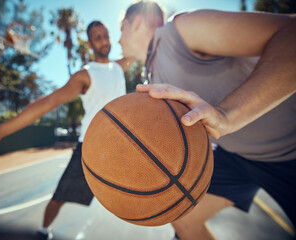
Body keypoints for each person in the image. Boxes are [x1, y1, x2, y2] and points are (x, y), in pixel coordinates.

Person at [118, 1, 296, 240]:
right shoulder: (153, 75)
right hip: (237, 156)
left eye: (121, 28)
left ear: (137, 23)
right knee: (182, 219)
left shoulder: (180, 30)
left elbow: (291, 34)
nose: (118, 39)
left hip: (289, 148)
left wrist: (226, 114)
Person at [0, 20, 135, 240]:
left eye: (106, 35)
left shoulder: (121, 66)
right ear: (90, 43)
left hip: (122, 144)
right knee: (59, 197)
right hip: (90, 147)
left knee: (156, 181)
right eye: (98, 37)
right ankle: (43, 231)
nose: (104, 41)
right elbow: (48, 102)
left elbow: (147, 46)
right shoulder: (85, 74)